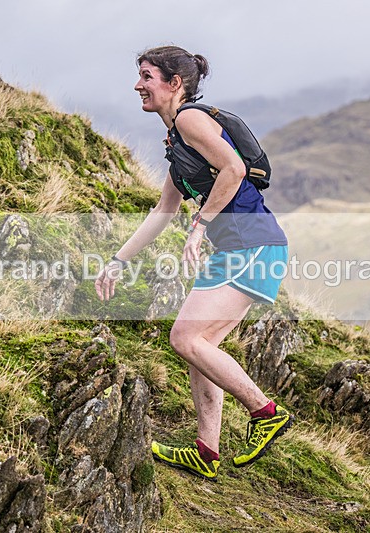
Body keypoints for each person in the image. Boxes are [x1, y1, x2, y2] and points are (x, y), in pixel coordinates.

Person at [95, 45, 292, 481]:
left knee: (185, 337)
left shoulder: (189, 118)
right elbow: (163, 211)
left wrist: (200, 224)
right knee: (199, 346)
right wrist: (117, 261)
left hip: (251, 245)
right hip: (239, 249)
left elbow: (234, 169)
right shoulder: (176, 141)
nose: (138, 85)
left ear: (174, 84)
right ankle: (207, 449)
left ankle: (265, 412)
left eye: (147, 76)